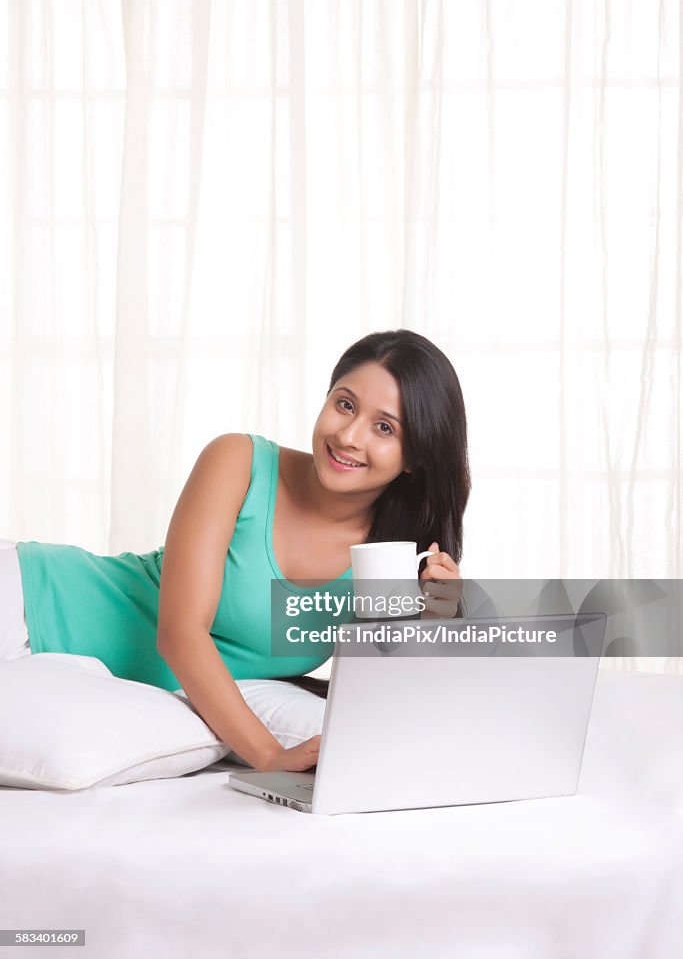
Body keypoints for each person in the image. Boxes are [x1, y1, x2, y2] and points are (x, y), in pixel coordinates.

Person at [1, 329, 470, 773]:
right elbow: (181, 633)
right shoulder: (238, 462)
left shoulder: (392, 564)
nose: (349, 436)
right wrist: (269, 755)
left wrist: (431, 625)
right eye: (344, 404)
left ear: (416, 458)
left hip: (58, 677)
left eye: (384, 428)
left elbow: (382, 709)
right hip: (27, 598)